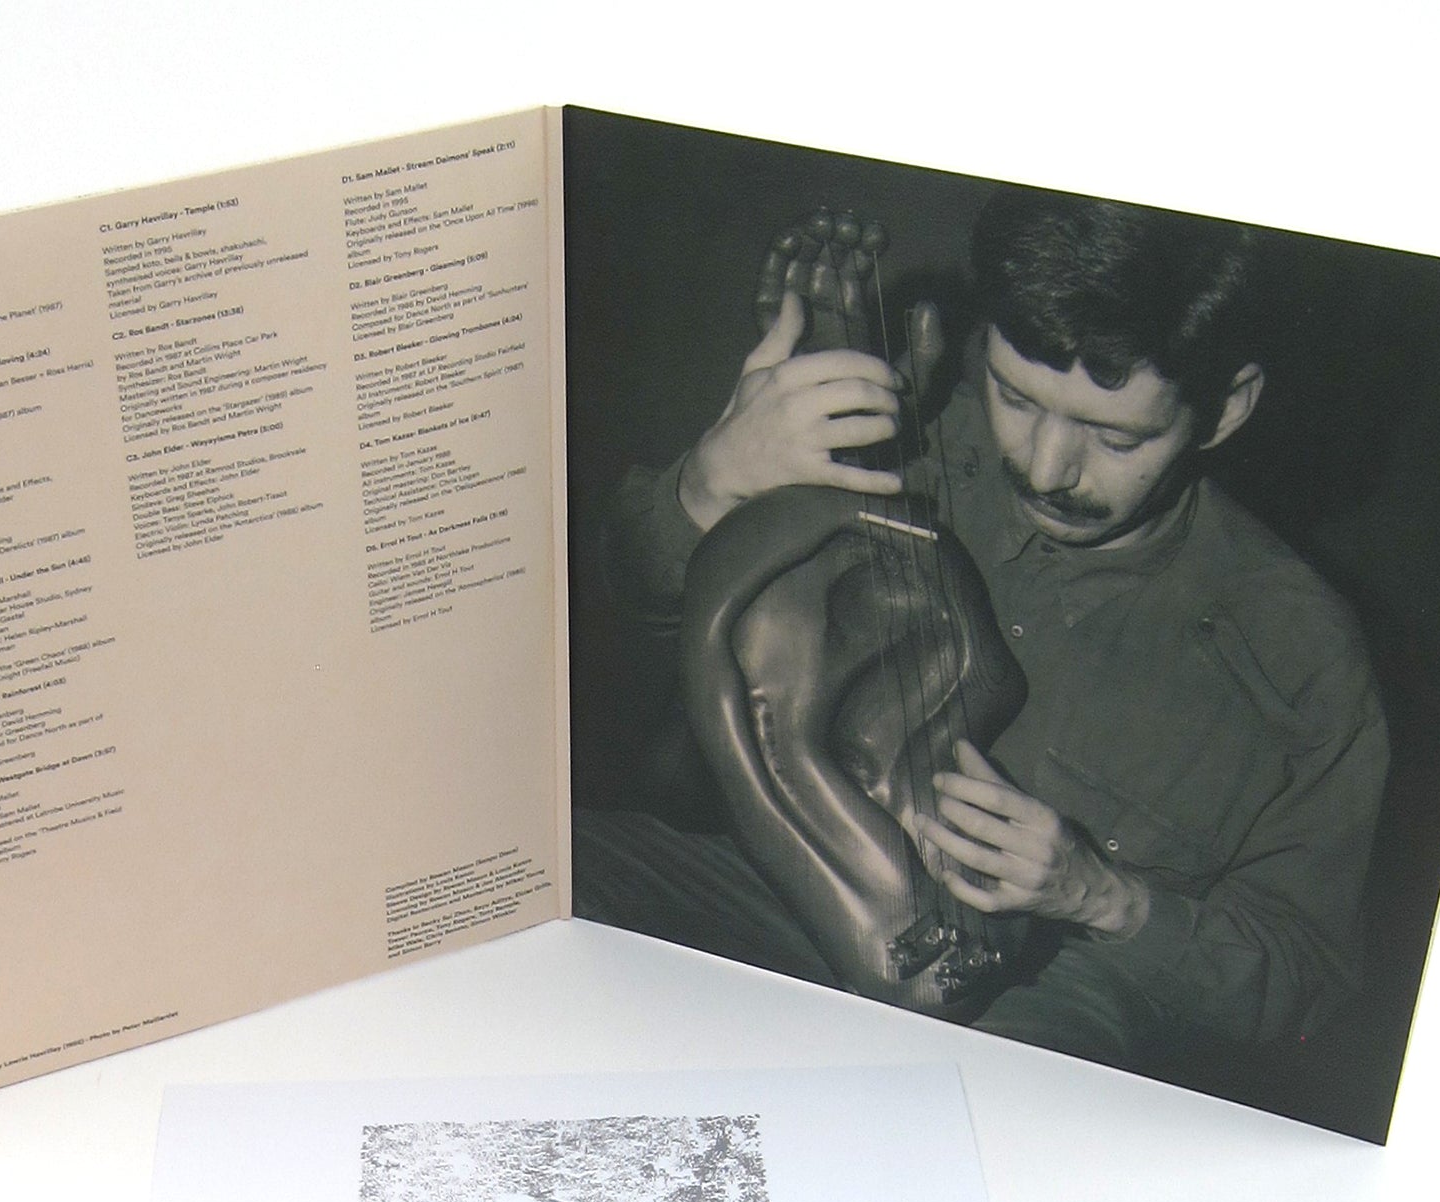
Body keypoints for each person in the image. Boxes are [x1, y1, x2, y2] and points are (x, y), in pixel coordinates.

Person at [582, 189, 1389, 1071]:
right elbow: (618, 624)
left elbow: (1305, 976)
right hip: (760, 892)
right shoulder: (902, 430)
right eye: (1015, 397)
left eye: (1117, 441)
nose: (1047, 468)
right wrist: (713, 482)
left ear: (1226, 408)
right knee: (546, 884)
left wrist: (1100, 895)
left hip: (1039, 991)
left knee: (965, 1115)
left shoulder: (1299, 649)